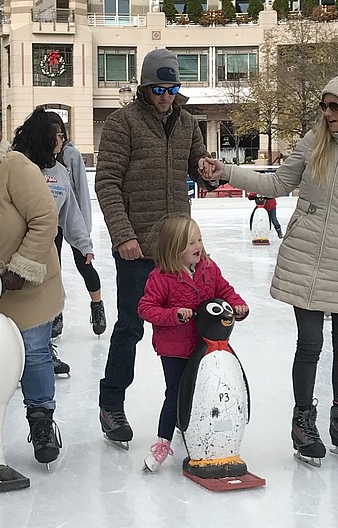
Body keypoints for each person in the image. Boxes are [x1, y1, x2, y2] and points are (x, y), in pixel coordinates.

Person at [202, 64, 338, 465]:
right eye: (324, 106)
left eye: (335, 106)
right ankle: (304, 421)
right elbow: (277, 184)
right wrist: (226, 171)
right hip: (306, 256)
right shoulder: (314, 141)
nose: (328, 112)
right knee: (311, 344)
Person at [95, 48, 216, 447]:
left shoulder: (187, 124)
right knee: (130, 327)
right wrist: (123, 235)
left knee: (188, 328)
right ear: (145, 87)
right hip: (136, 249)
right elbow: (107, 183)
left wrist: (208, 171)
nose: (165, 96)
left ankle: (185, 405)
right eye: (158, 88)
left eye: (172, 88)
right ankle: (111, 403)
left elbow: (199, 166)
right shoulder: (121, 124)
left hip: (177, 251)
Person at [0, 124, 64, 464]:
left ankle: (41, 419)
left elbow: (45, 217)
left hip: (25, 284)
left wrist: (22, 267)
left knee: (33, 352)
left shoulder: (13, 166)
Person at [137, 214, 248, 472]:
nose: (198, 246)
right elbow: (145, 308)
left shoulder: (209, 268)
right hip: (174, 349)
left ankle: (200, 431)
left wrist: (238, 305)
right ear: (174, 248)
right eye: (190, 243)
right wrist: (173, 314)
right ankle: (163, 441)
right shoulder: (161, 277)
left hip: (205, 347)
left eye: (199, 240)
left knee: (206, 392)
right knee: (176, 392)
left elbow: (225, 291)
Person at [13, 108, 95, 376]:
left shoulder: (60, 172)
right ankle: (11, 355)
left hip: (46, 250)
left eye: (62, 134)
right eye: (56, 135)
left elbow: (70, 212)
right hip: (13, 249)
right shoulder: (15, 166)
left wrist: (84, 244)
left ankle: (43, 350)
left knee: (44, 303)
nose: (61, 140)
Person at [47, 112, 106, 338]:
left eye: (60, 134)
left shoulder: (71, 155)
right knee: (54, 269)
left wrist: (85, 231)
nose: (58, 139)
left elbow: (80, 190)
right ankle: (55, 313)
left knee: (85, 265)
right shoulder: (39, 158)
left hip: (72, 218)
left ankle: (97, 305)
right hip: (50, 223)